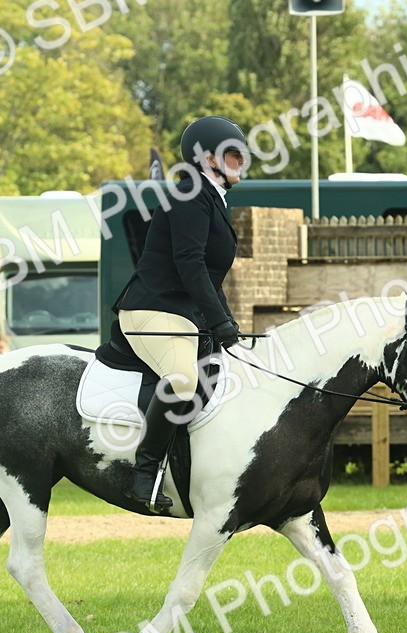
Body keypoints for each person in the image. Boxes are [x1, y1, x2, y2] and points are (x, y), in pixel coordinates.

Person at [111, 115, 248, 512]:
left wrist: (227, 323)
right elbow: (190, 265)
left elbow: (209, 277)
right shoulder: (190, 193)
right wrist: (220, 321)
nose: (242, 162)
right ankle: (144, 475)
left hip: (182, 316)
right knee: (184, 380)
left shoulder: (211, 199)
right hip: (151, 310)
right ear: (207, 158)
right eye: (233, 155)